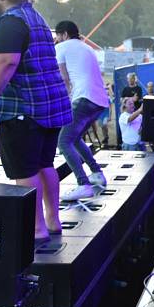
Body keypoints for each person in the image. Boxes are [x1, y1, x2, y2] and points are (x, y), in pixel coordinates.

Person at [0, 0, 72, 243]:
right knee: (44, 165)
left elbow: (6, 62)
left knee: (24, 172)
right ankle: (52, 222)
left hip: (22, 109)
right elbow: (10, 44)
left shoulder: (12, 21)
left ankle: (36, 229)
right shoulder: (34, 18)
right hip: (47, 108)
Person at [53, 21, 109, 201]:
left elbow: (64, 79)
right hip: (99, 101)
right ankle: (97, 173)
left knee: (63, 142)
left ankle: (83, 184)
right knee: (75, 139)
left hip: (83, 98)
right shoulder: (87, 48)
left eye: (58, 36)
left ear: (64, 34)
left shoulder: (62, 47)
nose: (56, 39)